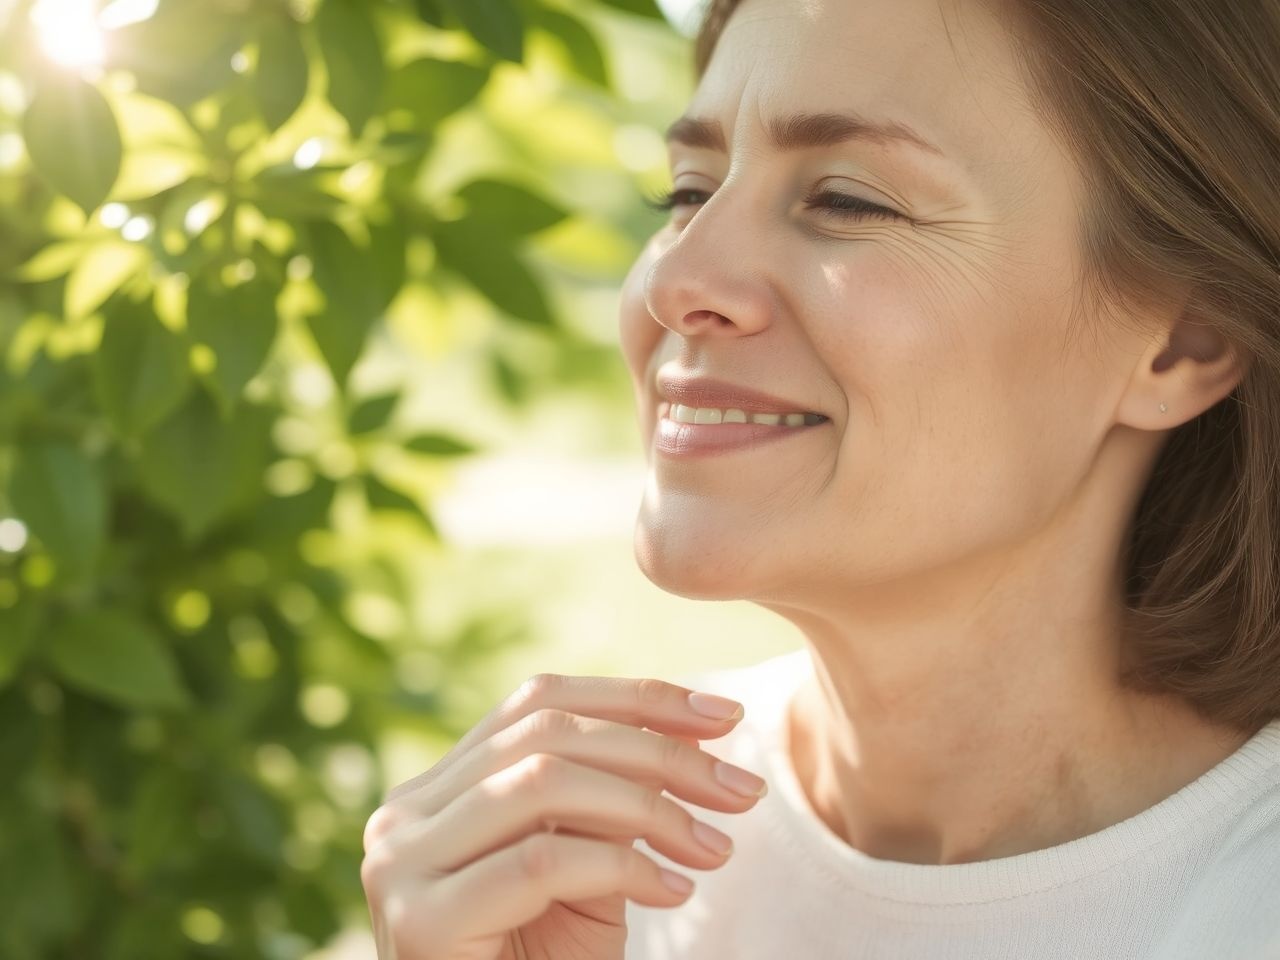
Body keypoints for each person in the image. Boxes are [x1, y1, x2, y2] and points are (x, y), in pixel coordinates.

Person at [359, 0, 1280, 957]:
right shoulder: (577, 872)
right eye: (688, 192)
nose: (675, 282)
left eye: (848, 201)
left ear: (1185, 340)